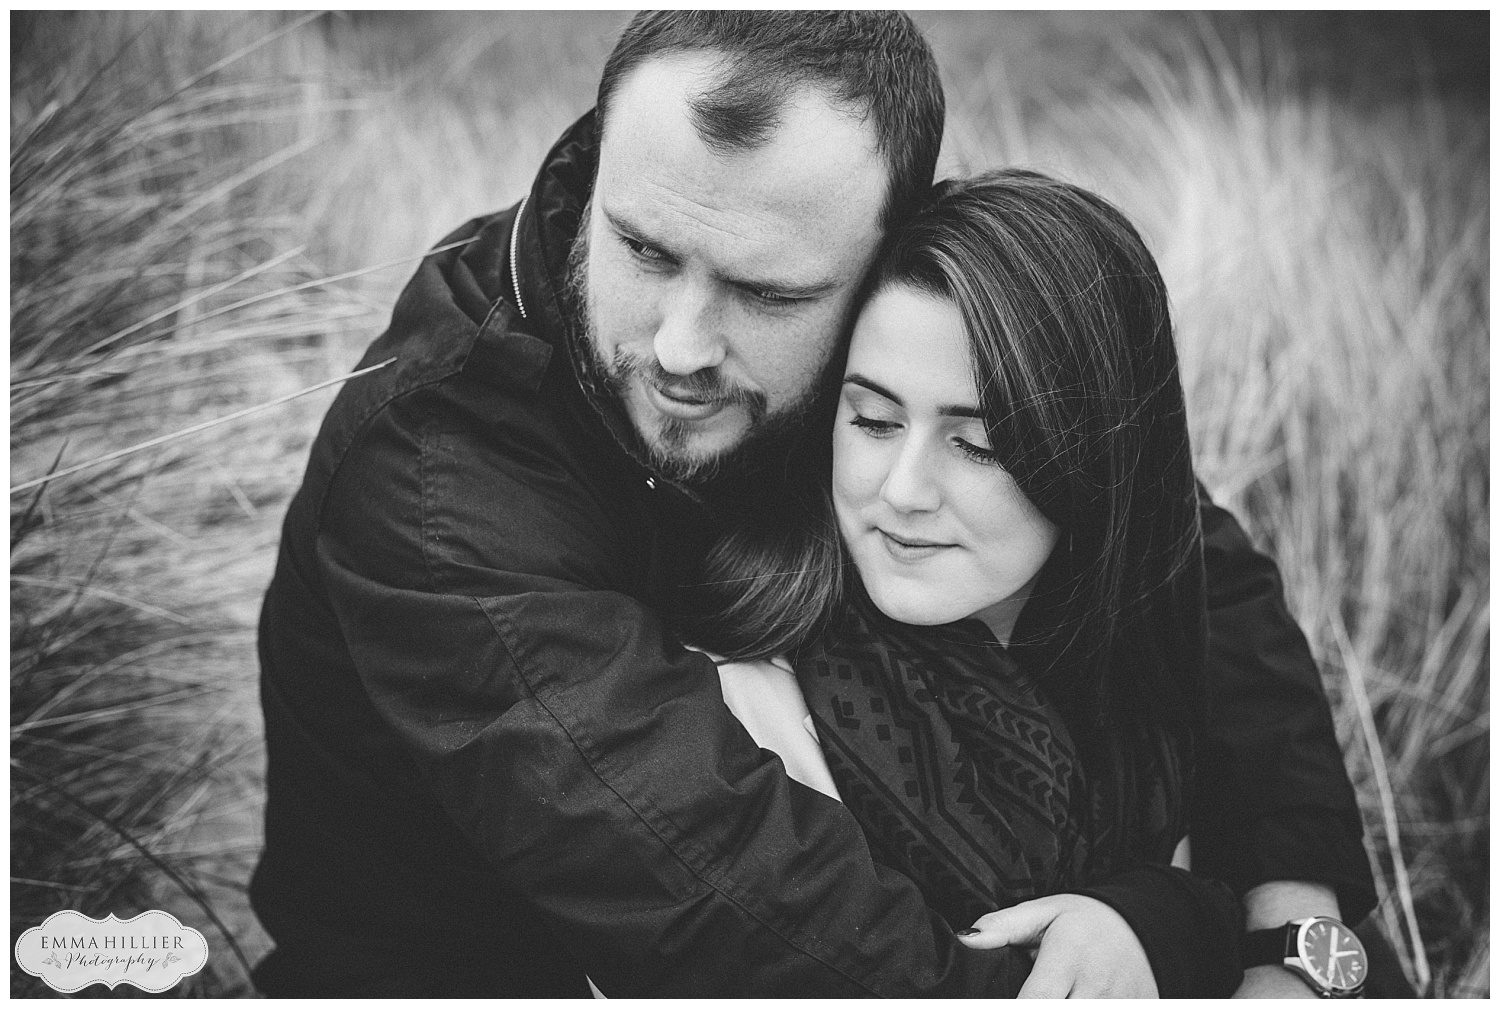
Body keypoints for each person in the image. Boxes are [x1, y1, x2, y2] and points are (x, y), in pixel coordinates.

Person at [249, 11, 1373, 997]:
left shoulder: (881, 322)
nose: (682, 348)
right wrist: (1179, 930)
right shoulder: (439, 482)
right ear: (596, 178)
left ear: (882, 254)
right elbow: (737, 904)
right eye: (642, 248)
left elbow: (1169, 545)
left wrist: (1295, 939)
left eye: (766, 292)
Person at [702, 169, 1248, 998]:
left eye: (981, 444)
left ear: (1094, 460)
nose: (903, 490)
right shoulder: (750, 708)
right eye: (874, 420)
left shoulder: (1138, 664)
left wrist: (1153, 919)